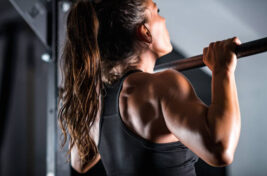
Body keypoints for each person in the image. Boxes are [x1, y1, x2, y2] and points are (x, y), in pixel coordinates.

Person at [58, 0, 241, 175]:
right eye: (157, 11)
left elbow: (80, 162)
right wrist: (222, 69)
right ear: (145, 32)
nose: (164, 19)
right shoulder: (162, 86)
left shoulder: (98, 101)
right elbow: (221, 149)